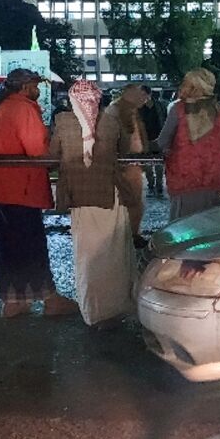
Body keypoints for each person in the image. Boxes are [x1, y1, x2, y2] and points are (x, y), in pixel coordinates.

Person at [0, 69, 73, 318]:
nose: (38, 90)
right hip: (21, 188)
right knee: (31, 244)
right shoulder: (24, 109)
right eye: (35, 85)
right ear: (25, 87)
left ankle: (13, 301)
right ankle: (49, 298)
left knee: (5, 245)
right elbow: (37, 150)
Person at [49, 79, 134, 325]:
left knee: (87, 256)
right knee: (112, 253)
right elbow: (124, 152)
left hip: (80, 198)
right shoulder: (110, 121)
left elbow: (52, 154)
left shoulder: (64, 121)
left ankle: (93, 312)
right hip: (110, 196)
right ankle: (116, 307)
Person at [158, 69, 220, 221]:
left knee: (183, 227)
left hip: (184, 178)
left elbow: (163, 141)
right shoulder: (218, 111)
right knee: (211, 228)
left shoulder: (178, 109)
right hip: (214, 178)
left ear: (192, 87)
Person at [105, 84, 149, 247]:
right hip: (124, 163)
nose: (143, 99)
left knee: (135, 200)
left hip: (133, 162)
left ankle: (133, 233)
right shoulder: (115, 110)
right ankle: (129, 235)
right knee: (130, 201)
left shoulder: (129, 110)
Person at [138, 86, 167, 198]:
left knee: (159, 166)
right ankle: (151, 185)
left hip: (158, 139)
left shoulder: (160, 106)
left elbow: (165, 121)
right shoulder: (139, 108)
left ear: (148, 94)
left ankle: (159, 187)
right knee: (147, 166)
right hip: (145, 140)